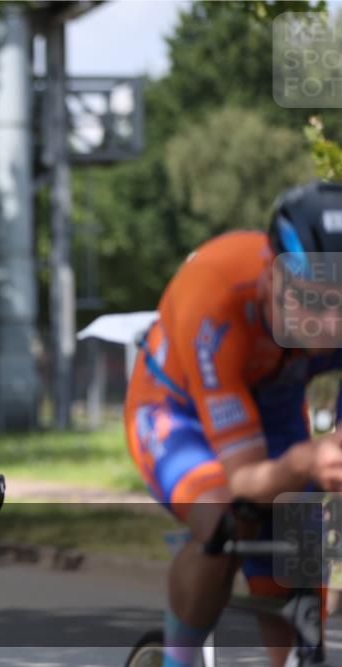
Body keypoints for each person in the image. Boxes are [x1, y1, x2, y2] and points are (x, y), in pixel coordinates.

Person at [125, 180, 342, 667]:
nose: (329, 329)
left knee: (299, 542)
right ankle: (178, 659)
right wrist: (309, 460)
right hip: (174, 411)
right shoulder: (216, 300)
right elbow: (245, 478)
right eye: (311, 303)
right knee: (226, 517)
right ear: (272, 276)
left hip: (275, 405)